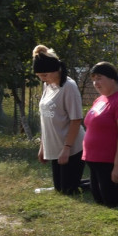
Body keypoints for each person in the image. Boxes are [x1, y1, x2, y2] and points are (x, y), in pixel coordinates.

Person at [81, 62, 118, 207]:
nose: (96, 83)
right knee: (99, 199)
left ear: (113, 79)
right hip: (95, 160)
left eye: (100, 78)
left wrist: (117, 167)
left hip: (111, 161)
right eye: (93, 79)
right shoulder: (100, 99)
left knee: (113, 201)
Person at [32, 45, 86, 194]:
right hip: (54, 147)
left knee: (67, 190)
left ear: (56, 70)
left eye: (45, 75)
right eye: (40, 76)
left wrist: (66, 149)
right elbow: (45, 119)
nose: (43, 79)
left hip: (71, 147)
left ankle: (99, 183)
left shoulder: (69, 86)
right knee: (59, 188)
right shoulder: (47, 86)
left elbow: (76, 120)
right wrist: (43, 146)